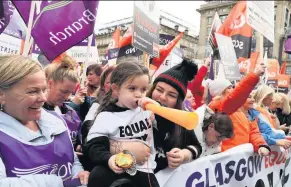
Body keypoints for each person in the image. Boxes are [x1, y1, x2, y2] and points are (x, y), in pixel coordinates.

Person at [0, 55, 89, 187]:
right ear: (2, 95)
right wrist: (58, 183)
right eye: (32, 91)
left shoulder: (55, 121)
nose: (43, 98)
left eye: (43, 89)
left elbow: (72, 161)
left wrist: (80, 175)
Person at [109, 58, 202, 173]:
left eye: (171, 95)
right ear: (151, 89)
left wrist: (184, 155)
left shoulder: (180, 119)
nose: (162, 97)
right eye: (159, 90)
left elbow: (197, 147)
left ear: (178, 101)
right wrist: (121, 148)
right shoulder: (132, 108)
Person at [84, 61, 160, 187]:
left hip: (143, 171)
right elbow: (93, 145)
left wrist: (158, 111)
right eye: (132, 88)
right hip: (116, 168)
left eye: (143, 89)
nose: (138, 94)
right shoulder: (106, 116)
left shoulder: (147, 110)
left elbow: (167, 132)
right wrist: (109, 159)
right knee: (97, 175)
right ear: (116, 89)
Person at [208, 63, 270, 155]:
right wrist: (254, 76)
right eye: (229, 87)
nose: (233, 89)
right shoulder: (217, 107)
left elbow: (252, 131)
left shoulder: (239, 111)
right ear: (221, 92)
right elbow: (235, 97)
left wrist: (261, 145)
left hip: (240, 162)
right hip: (225, 161)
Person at [43, 58, 82, 149]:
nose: (66, 97)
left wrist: (78, 145)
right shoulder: (34, 111)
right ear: (50, 84)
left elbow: (76, 139)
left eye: (70, 93)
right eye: (63, 91)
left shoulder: (70, 112)